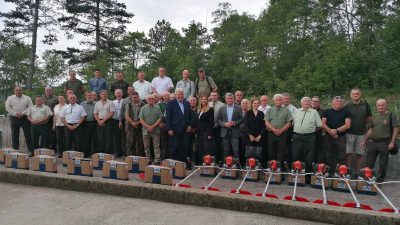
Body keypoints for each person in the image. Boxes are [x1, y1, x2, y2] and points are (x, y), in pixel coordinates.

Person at [362, 99, 399, 182]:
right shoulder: (374, 116)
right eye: (378, 105)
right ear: (376, 106)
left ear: (386, 106)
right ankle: (368, 179)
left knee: (383, 164)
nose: (380, 107)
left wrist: (392, 142)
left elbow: (396, 128)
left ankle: (379, 181)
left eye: (382, 105)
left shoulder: (391, 115)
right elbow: (370, 130)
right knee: (369, 163)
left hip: (385, 142)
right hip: (373, 142)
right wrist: (364, 140)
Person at [344, 88, 372, 177]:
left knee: (360, 153)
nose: (355, 95)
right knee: (348, 153)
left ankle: (358, 173)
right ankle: (347, 172)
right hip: (349, 133)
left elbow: (369, 118)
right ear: (350, 95)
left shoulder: (366, 104)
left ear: (360, 94)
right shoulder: (347, 105)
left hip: (362, 134)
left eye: (357, 93)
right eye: (354, 94)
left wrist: (367, 128)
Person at [322, 96, 351, 175]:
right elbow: (323, 123)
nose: (338, 102)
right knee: (327, 154)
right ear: (333, 102)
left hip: (341, 137)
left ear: (342, 103)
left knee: (341, 156)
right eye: (336, 101)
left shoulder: (346, 112)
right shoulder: (326, 111)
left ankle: (339, 174)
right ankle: (327, 173)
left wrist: (336, 131)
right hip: (328, 136)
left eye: (340, 101)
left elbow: (347, 125)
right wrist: (330, 131)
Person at [292, 97, 322, 173]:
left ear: (310, 103)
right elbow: (292, 124)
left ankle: (307, 175)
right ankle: (296, 173)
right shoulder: (296, 111)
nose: (307, 102)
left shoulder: (314, 112)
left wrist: (310, 131)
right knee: (296, 155)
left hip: (309, 137)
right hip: (297, 136)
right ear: (301, 103)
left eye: (308, 101)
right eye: (305, 101)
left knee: (309, 157)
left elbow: (319, 125)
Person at [264, 94, 293, 167]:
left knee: (281, 154)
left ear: (282, 101)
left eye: (280, 100)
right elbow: (266, 122)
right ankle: (271, 170)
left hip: (282, 135)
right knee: (271, 152)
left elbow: (289, 123)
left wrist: (281, 130)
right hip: (271, 134)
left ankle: (280, 172)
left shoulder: (287, 111)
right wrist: (274, 130)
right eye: (277, 100)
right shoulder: (270, 110)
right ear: (274, 101)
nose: (278, 101)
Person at [166, 88, 192, 167]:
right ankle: (173, 164)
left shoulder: (187, 103)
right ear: (176, 95)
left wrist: (190, 125)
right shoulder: (171, 103)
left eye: (181, 94)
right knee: (174, 147)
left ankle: (183, 164)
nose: (180, 96)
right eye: (178, 94)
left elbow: (189, 116)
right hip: (174, 129)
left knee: (184, 146)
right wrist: (169, 128)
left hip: (185, 129)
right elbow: (168, 117)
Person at [5, 86, 33, 152]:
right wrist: (15, 114)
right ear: (14, 91)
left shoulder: (27, 98)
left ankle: (31, 150)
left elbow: (31, 107)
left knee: (28, 134)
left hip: (25, 118)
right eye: (17, 90)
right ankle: (15, 150)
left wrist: (23, 113)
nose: (18, 91)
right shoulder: (10, 98)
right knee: (15, 134)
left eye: (19, 90)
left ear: (22, 91)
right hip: (14, 118)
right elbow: (8, 108)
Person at [217, 93, 243, 162]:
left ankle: (236, 165)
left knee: (235, 150)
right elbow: (218, 120)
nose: (229, 100)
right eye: (228, 98)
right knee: (225, 150)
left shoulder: (239, 108)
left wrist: (235, 123)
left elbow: (242, 119)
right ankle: (226, 165)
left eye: (231, 98)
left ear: (233, 99)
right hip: (225, 131)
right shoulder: (222, 108)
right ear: (225, 99)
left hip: (235, 131)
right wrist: (224, 124)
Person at [139, 94, 163, 164]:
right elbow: (141, 119)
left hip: (156, 130)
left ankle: (157, 160)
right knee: (146, 146)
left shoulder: (157, 107)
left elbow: (160, 118)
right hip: (145, 130)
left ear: (154, 100)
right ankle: (148, 159)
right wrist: (148, 127)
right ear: (146, 100)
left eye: (152, 99)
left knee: (156, 146)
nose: (151, 100)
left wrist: (153, 126)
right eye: (149, 99)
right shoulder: (143, 108)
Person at [195, 95, 214, 164]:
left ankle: (206, 161)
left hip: (206, 131)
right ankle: (200, 162)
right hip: (199, 131)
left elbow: (211, 122)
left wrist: (210, 133)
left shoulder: (210, 109)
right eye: (202, 99)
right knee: (200, 146)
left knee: (206, 147)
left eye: (205, 99)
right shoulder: (199, 109)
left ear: (207, 100)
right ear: (200, 100)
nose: (204, 100)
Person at [125, 92, 145, 156]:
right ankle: (130, 157)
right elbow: (126, 116)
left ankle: (140, 157)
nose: (134, 99)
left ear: (138, 97)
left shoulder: (143, 105)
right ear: (131, 97)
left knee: (141, 142)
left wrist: (138, 123)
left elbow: (144, 116)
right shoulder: (128, 105)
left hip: (140, 125)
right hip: (130, 126)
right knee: (130, 142)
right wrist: (133, 123)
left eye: (135, 97)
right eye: (133, 97)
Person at [208, 91, 224, 162]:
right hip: (209, 127)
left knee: (218, 144)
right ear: (210, 96)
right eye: (212, 95)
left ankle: (218, 160)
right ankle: (209, 159)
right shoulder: (207, 104)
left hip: (218, 127)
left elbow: (223, 117)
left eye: (215, 95)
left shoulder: (222, 105)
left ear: (218, 96)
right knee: (209, 144)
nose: (214, 97)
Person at [80, 92, 97, 157]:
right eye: (88, 95)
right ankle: (86, 153)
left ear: (93, 96)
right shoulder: (82, 104)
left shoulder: (96, 103)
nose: (89, 96)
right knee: (86, 139)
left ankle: (94, 153)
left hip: (94, 123)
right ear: (85, 96)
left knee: (95, 139)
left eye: (90, 95)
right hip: (85, 123)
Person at [311, 96, 325, 163]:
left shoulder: (323, 111)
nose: (314, 103)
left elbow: (322, 124)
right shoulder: (307, 110)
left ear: (319, 103)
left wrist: (313, 130)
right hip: (308, 134)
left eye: (316, 101)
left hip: (319, 133)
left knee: (319, 150)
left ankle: (318, 166)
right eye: (313, 101)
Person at [111, 89, 124, 157]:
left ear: (122, 94)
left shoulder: (125, 101)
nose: (118, 94)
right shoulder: (112, 102)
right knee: (116, 137)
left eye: (120, 93)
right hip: (115, 121)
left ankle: (125, 152)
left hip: (124, 120)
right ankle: (118, 152)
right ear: (115, 94)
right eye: (117, 93)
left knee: (124, 137)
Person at [159, 92, 170, 159]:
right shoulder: (160, 105)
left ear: (169, 96)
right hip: (162, 124)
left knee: (170, 141)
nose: (165, 97)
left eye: (167, 96)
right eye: (164, 96)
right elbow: (158, 115)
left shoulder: (173, 104)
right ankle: (163, 156)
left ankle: (170, 156)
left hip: (170, 125)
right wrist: (160, 122)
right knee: (163, 142)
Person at [188, 96, 198, 163]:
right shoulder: (187, 110)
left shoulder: (199, 109)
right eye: (191, 101)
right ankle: (190, 160)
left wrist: (195, 129)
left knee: (197, 146)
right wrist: (190, 127)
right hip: (189, 130)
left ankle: (196, 160)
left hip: (198, 130)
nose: (192, 102)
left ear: (196, 102)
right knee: (189, 146)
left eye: (194, 100)